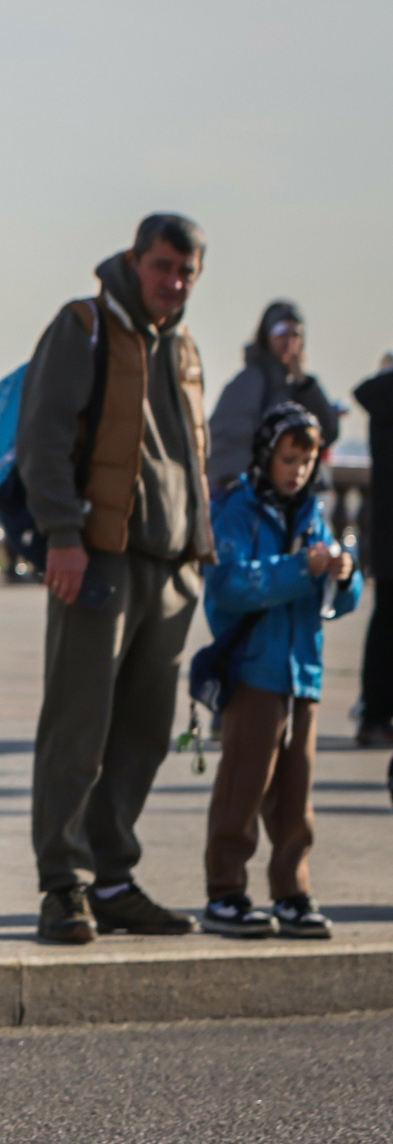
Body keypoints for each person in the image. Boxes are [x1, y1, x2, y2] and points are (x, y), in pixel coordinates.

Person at [19, 213, 214, 945]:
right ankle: (63, 886)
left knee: (143, 735)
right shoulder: (84, 326)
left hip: (171, 565)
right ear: (135, 260)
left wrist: (201, 549)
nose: (173, 282)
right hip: (98, 558)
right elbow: (40, 438)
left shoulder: (185, 344)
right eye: (163, 266)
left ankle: (113, 878)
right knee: (78, 727)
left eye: (186, 272)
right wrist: (63, 536)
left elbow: (194, 456)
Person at [197, 404, 361, 938]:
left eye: (307, 461)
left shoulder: (311, 512)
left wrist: (345, 573)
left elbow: (340, 600)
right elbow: (229, 585)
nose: (297, 470)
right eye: (289, 458)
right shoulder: (238, 510)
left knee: (297, 790)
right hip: (255, 670)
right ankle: (225, 889)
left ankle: (292, 890)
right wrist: (300, 568)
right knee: (245, 782)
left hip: (303, 670)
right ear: (268, 456)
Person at [207, 301, 339, 492]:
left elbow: (328, 432)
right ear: (267, 336)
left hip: (292, 498)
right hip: (256, 497)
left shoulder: (300, 386)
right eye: (282, 333)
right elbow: (227, 441)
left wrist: (305, 383)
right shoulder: (250, 381)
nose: (289, 341)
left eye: (296, 334)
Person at [353, 353, 393, 749]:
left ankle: (374, 713)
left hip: (385, 538)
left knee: (383, 627)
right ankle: (375, 714)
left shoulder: (381, 398)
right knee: (385, 631)